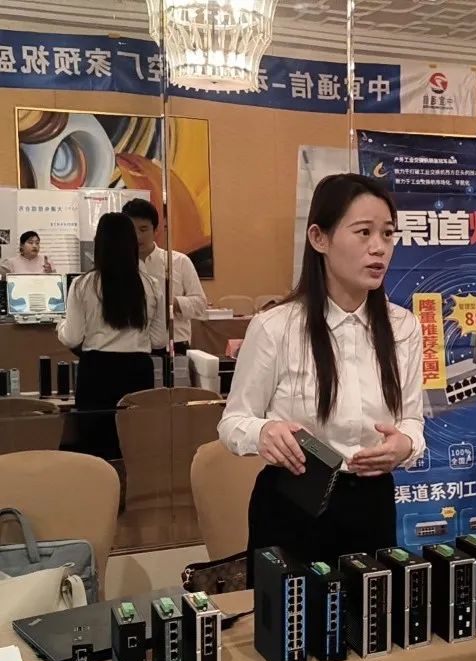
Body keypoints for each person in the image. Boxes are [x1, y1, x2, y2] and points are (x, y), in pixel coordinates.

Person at [218, 173, 425, 587]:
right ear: (319, 238)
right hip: (293, 503)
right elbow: (232, 422)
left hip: (372, 504)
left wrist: (405, 445)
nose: (379, 247)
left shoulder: (404, 327)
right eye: (363, 232)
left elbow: (412, 420)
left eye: (387, 234)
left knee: (369, 618)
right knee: (290, 621)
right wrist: (264, 432)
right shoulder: (276, 327)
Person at [57, 213, 167, 461]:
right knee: (134, 446)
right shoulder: (151, 285)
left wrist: (59, 326)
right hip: (137, 370)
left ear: (99, 245)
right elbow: (159, 340)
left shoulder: (83, 285)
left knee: (96, 447)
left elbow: (72, 337)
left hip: (97, 372)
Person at [123, 198, 207, 356]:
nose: (137, 236)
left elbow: (200, 305)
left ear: (155, 230)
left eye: (143, 229)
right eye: (132, 230)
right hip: (132, 347)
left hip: (174, 345)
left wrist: (170, 303)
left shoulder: (179, 261)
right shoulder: (119, 266)